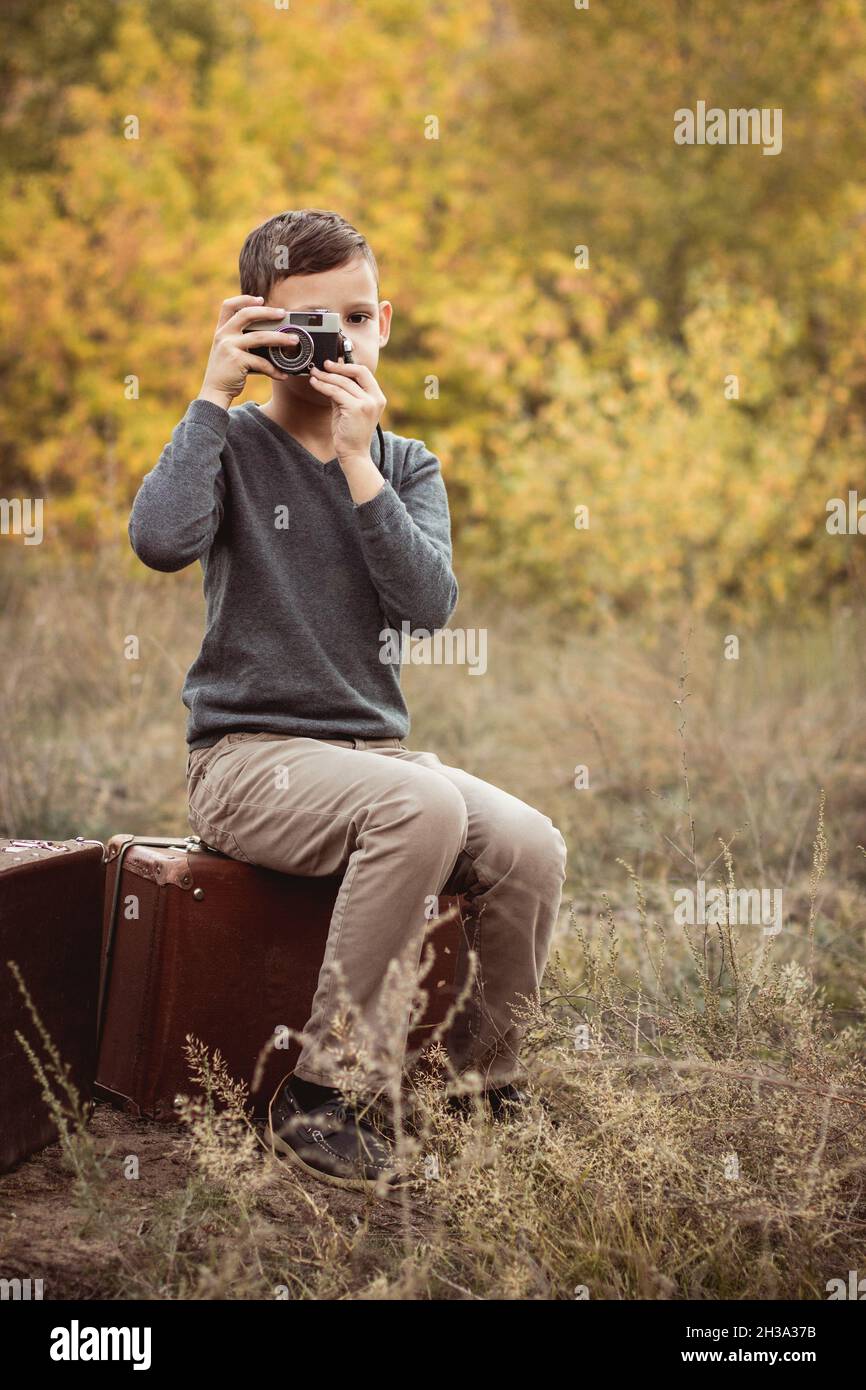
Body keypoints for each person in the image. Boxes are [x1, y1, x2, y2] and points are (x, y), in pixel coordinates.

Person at [127, 208, 568, 1193]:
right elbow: (160, 539)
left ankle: (477, 1086)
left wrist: (359, 462)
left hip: (370, 760)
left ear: (384, 324)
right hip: (245, 761)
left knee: (529, 840)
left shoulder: (404, 463)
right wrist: (209, 392)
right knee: (421, 804)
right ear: (256, 326)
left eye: (358, 318)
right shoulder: (232, 443)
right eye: (308, 325)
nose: (339, 341)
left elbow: (426, 607)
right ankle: (323, 1093)